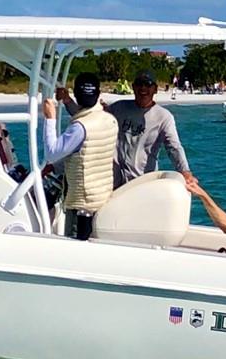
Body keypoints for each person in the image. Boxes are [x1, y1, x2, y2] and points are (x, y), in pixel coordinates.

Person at [41, 72, 118, 240]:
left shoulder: (80, 127)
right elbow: (88, 122)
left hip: (81, 204)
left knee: (76, 247)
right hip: (101, 199)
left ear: (77, 94)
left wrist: (50, 118)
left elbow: (52, 153)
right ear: (98, 94)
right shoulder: (109, 121)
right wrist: (67, 101)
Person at [101, 71, 192, 186]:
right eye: (139, 84)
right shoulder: (119, 108)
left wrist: (185, 171)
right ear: (133, 87)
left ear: (155, 89)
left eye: (148, 84)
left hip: (144, 183)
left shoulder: (164, 117)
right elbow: (91, 119)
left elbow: (174, 147)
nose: (143, 88)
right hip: (114, 181)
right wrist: (70, 102)